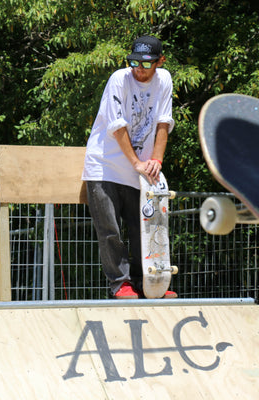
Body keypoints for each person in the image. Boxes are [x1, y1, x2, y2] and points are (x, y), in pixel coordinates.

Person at [82, 35, 177, 300]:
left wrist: (156, 161)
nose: (139, 69)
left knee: (144, 230)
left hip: (141, 172)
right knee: (111, 230)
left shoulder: (164, 80)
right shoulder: (119, 79)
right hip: (105, 165)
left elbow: (163, 122)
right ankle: (120, 284)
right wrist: (136, 163)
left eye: (146, 64)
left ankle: (147, 284)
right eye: (134, 62)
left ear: (160, 61)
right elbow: (117, 126)